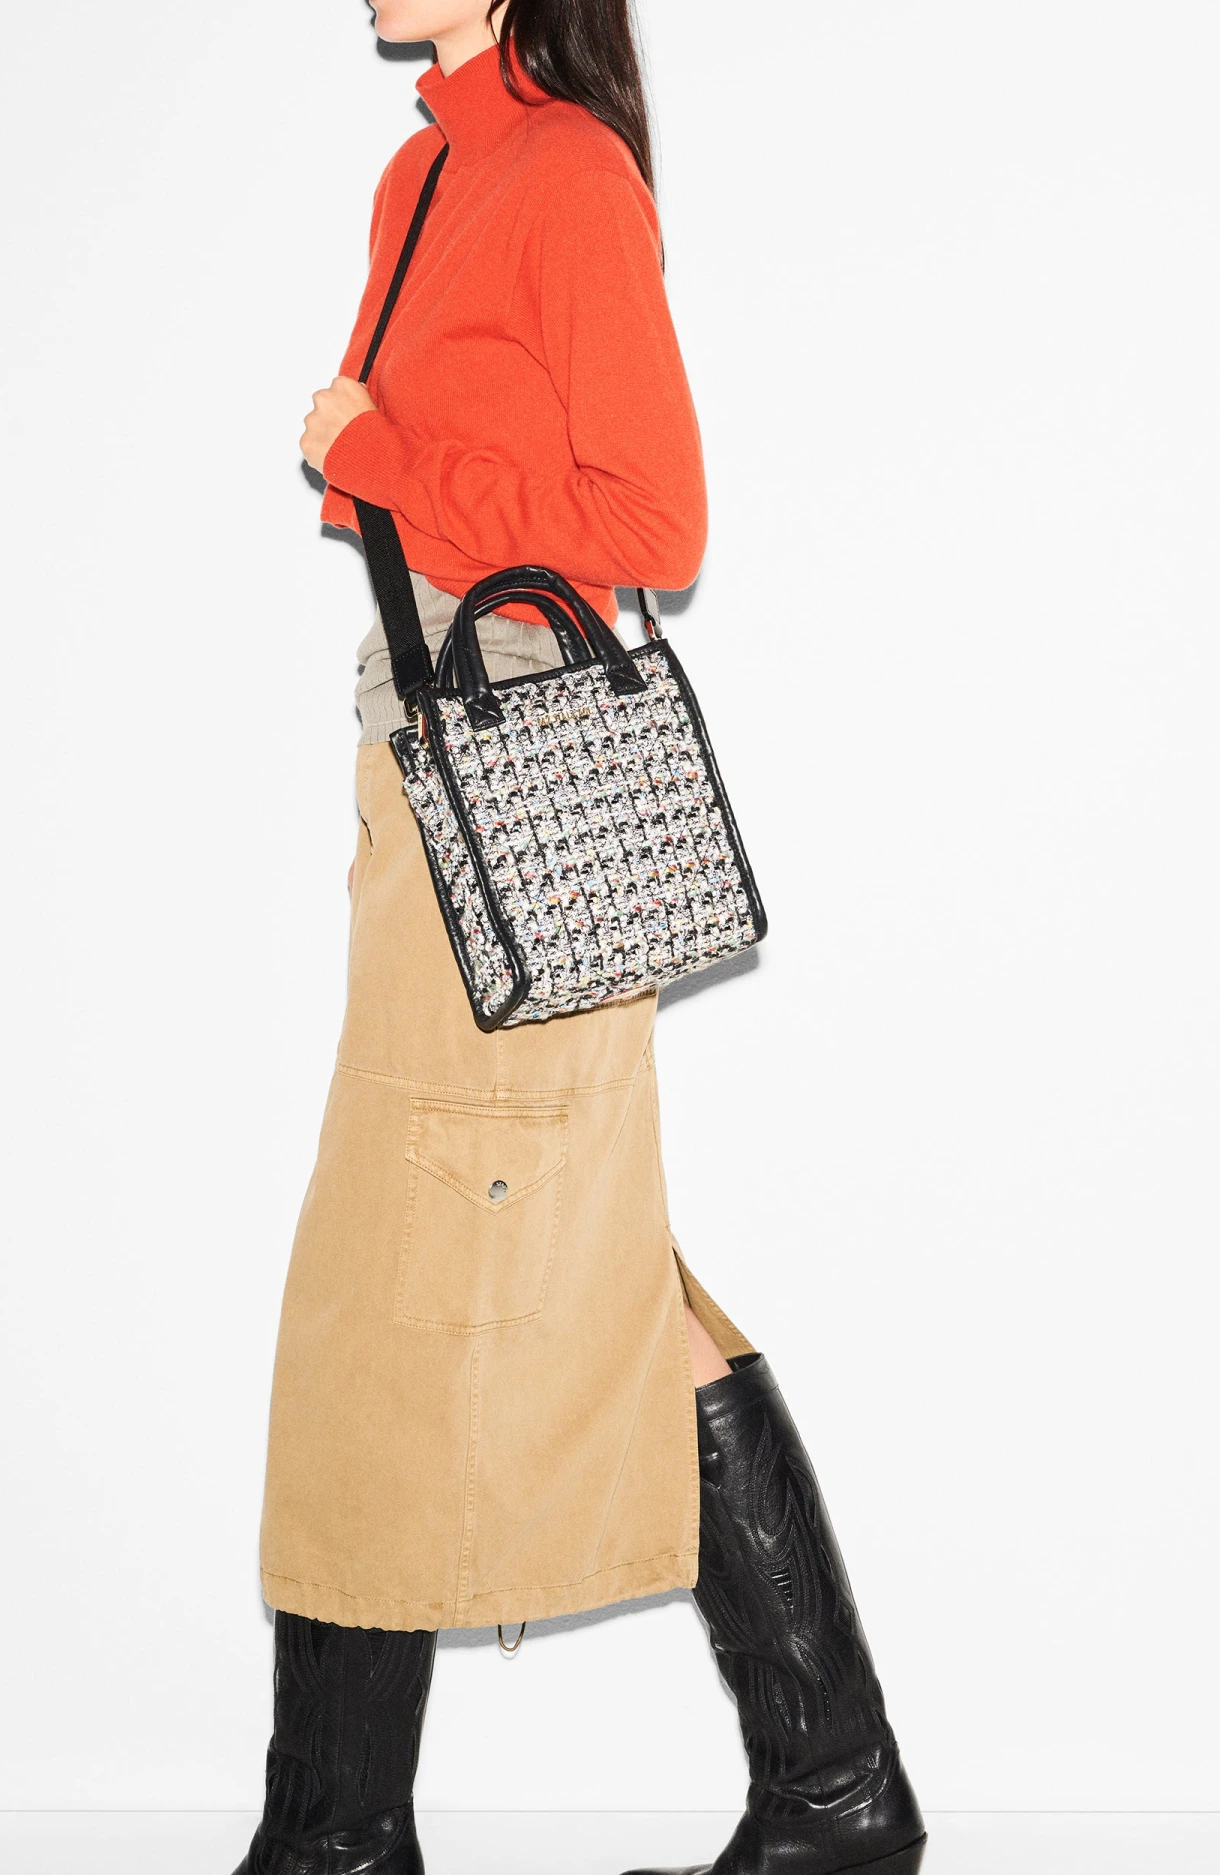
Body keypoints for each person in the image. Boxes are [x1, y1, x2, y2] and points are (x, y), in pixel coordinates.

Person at [236, 6, 926, 1873]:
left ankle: (336, 1838)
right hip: (426, 754)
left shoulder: (565, 173)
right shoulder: (424, 171)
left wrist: (387, 452)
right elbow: (401, 483)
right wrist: (381, 458)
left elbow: (650, 521)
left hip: (525, 762)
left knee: (387, 1281)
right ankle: (834, 1785)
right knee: (572, 1270)